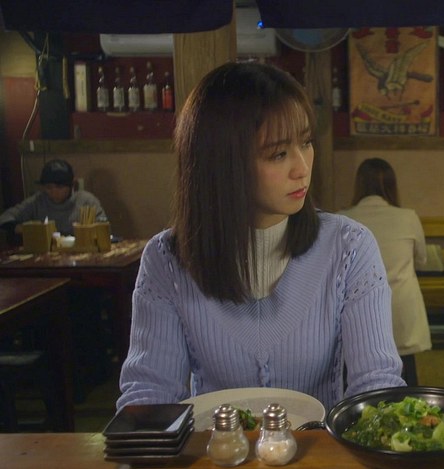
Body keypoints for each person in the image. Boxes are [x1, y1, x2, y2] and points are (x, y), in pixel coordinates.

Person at [117, 63, 405, 412]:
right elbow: (149, 393)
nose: (302, 168)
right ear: (223, 163)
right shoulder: (167, 260)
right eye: (278, 154)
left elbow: (376, 383)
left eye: (306, 143)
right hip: (214, 445)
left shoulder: (349, 248)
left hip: (316, 445)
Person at [339, 158, 432, 386]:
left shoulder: (343, 220)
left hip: (358, 312)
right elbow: (422, 260)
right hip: (401, 310)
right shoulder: (408, 217)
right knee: (407, 377)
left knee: (359, 370)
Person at [0, 158, 107, 240]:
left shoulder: (86, 200)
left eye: (59, 187)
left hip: (80, 251)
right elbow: (4, 218)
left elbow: (104, 227)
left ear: (72, 185)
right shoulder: (38, 201)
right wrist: (23, 229)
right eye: (49, 187)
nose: (54, 192)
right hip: (46, 255)